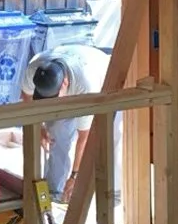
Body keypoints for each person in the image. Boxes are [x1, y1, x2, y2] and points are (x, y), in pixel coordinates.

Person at [20, 43, 122, 205]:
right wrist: (39, 129)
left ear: (65, 83)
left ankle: (112, 194)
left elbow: (85, 137)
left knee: (110, 137)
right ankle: (55, 191)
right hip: (76, 64)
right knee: (56, 131)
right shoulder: (35, 68)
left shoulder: (86, 86)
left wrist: (75, 176)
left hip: (106, 82)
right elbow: (26, 97)